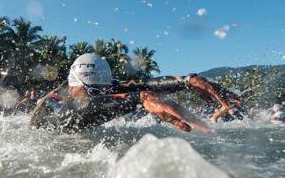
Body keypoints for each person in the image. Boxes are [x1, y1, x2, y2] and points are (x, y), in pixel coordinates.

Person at [31, 53, 242, 133]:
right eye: (92, 91)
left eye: (104, 90)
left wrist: (189, 82)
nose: (99, 96)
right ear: (72, 85)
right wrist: (136, 99)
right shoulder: (53, 99)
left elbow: (149, 84)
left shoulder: (109, 88)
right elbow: (65, 118)